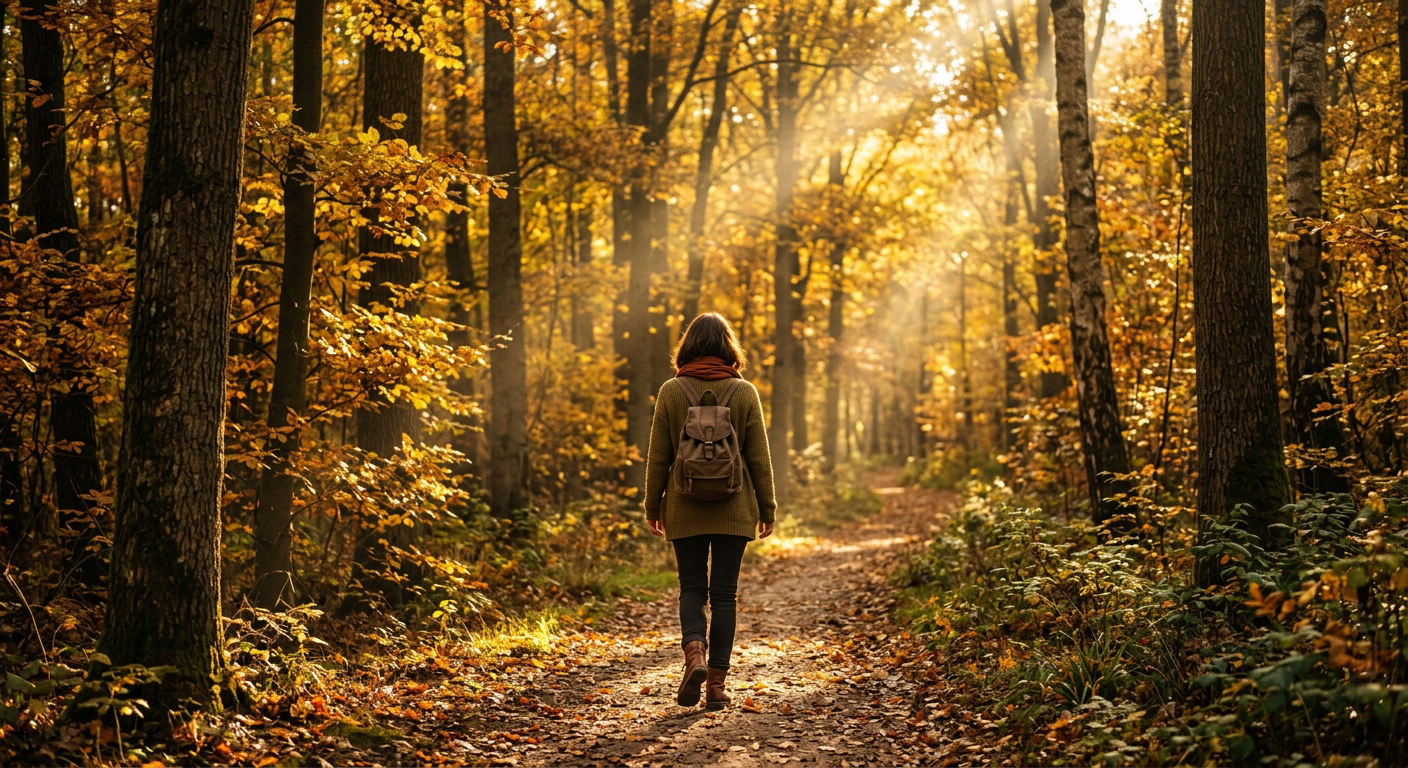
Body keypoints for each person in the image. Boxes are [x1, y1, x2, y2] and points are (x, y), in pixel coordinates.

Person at [644, 312, 776, 711]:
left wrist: (653, 505)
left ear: (688, 347)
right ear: (728, 347)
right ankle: (716, 687)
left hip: (683, 507)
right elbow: (759, 458)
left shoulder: (671, 390)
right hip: (735, 509)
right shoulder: (745, 392)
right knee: (724, 596)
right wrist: (766, 506)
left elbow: (659, 457)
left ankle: (694, 656)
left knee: (691, 589)